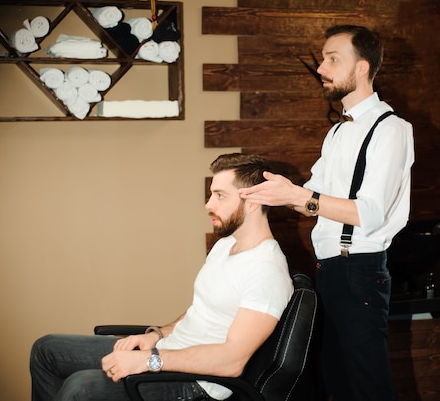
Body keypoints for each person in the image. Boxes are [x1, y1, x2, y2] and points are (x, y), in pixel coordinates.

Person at [239, 25, 414, 401]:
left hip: (360, 271)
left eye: (333, 59)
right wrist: (267, 193)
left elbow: (370, 212)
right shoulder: (336, 133)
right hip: (330, 271)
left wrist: (301, 196)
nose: (321, 68)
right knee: (336, 386)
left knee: (370, 389)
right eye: (323, 59)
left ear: (363, 68)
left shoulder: (391, 129)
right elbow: (309, 199)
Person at [30, 153, 294, 401]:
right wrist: (156, 336)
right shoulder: (227, 244)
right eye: (211, 194)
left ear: (253, 202)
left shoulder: (266, 271)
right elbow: (200, 310)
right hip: (171, 350)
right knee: (46, 350)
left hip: (197, 384)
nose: (208, 205)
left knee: (81, 387)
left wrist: (149, 360)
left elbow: (232, 361)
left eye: (220, 196)